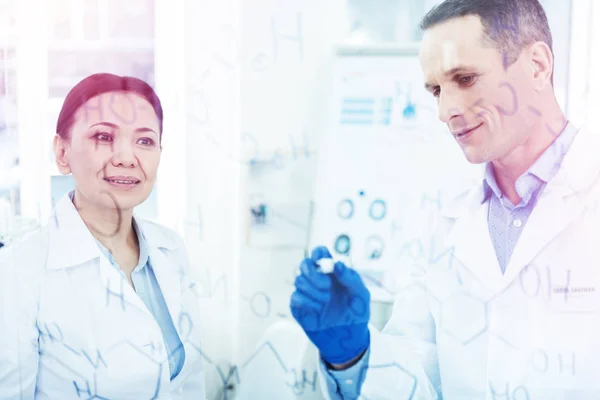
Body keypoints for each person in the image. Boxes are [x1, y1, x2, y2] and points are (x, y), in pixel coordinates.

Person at [291, 0, 600, 398]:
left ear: (538, 66)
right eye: (437, 90)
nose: (446, 110)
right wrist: (352, 354)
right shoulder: (443, 228)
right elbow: (419, 383)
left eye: (466, 78)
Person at [0, 73, 207, 399]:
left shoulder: (171, 249)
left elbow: (189, 382)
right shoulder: (16, 273)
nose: (126, 158)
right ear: (62, 153)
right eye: (103, 136)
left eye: (145, 141)